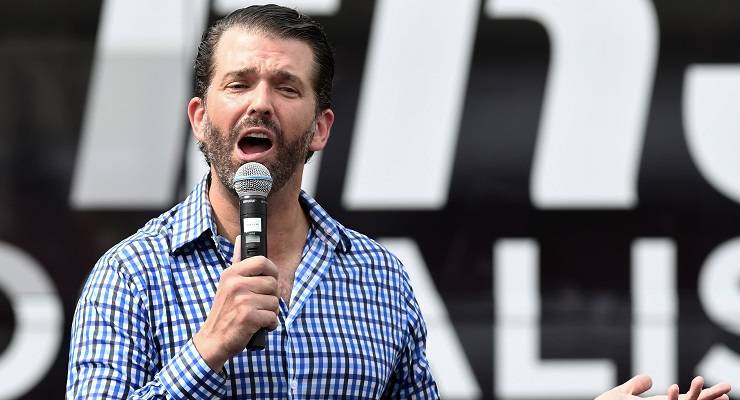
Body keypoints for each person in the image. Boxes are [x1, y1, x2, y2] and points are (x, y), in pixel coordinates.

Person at [66, 4, 731, 400]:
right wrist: (206, 352)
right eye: (238, 83)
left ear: (320, 129)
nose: (260, 102)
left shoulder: (377, 277)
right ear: (198, 117)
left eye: (286, 87)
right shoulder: (131, 275)